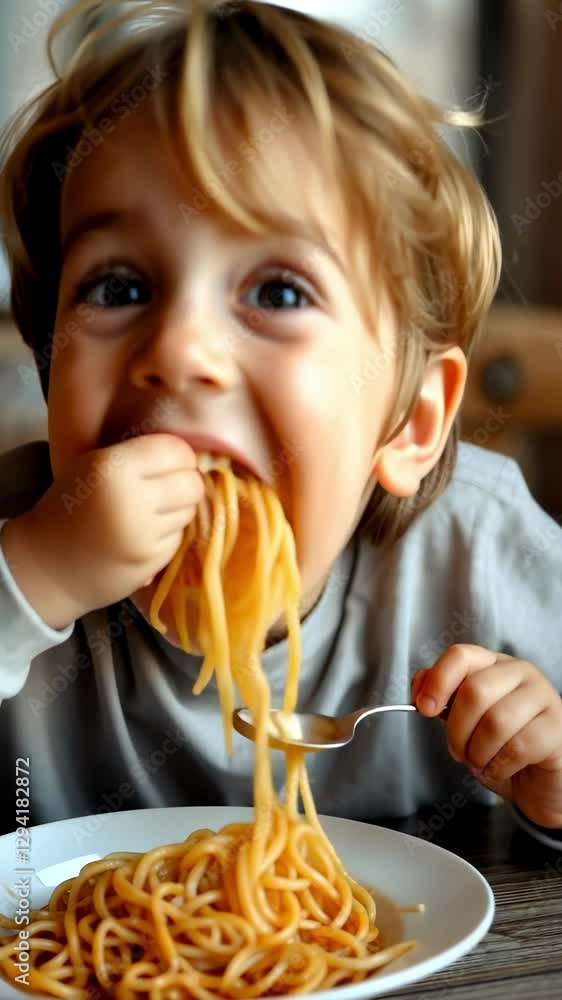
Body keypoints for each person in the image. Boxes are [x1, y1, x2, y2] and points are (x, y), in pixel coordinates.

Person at [0, 0, 560, 846]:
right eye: (119, 288)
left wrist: (551, 777)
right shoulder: (19, 535)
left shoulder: (473, 553)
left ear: (410, 422)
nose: (181, 348)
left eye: (277, 293)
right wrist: (33, 577)